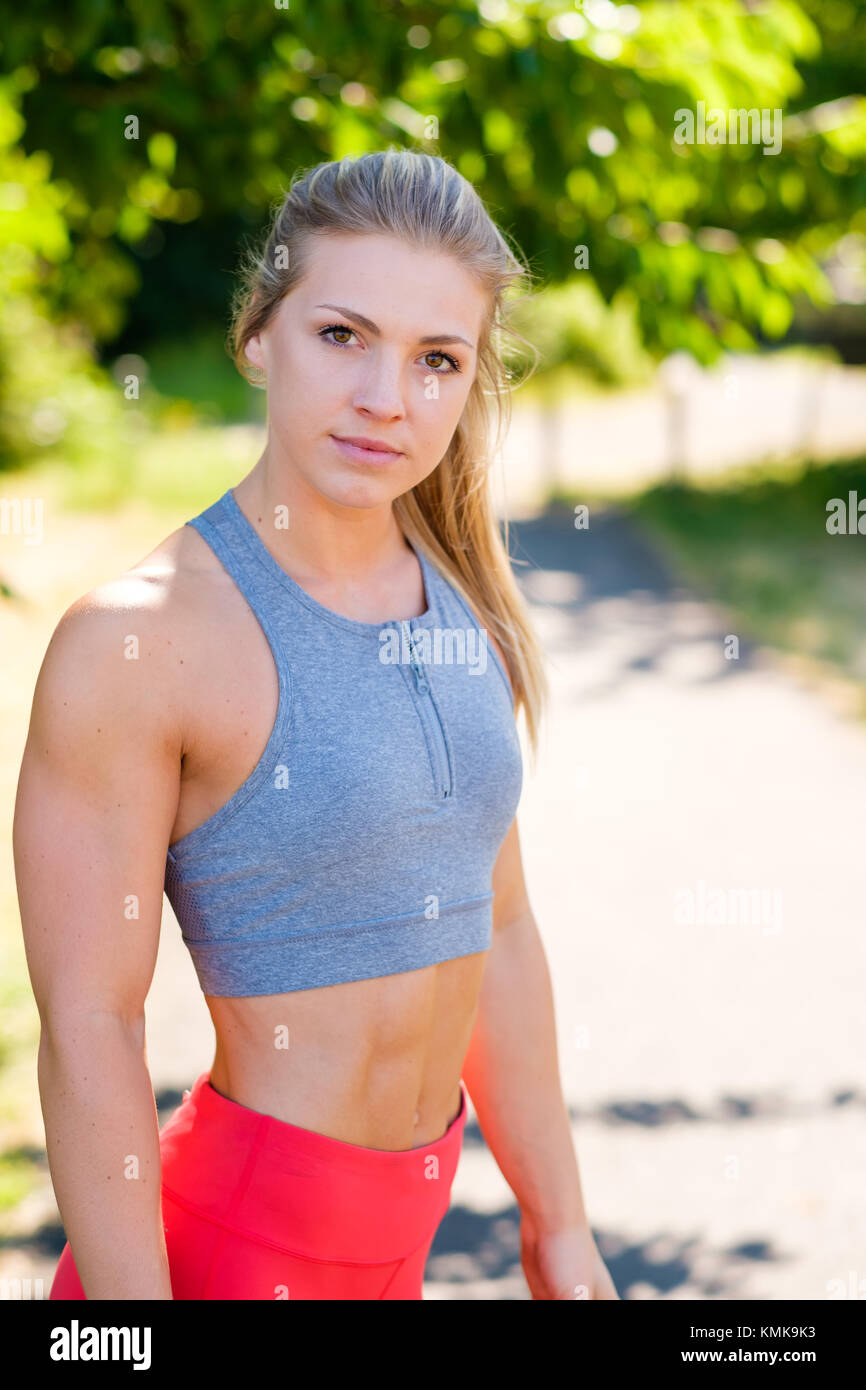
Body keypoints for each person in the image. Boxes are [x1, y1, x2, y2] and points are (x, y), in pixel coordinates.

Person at [13, 149, 618, 1301]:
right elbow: (92, 1024)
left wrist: (560, 1222)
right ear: (258, 334)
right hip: (224, 1257)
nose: (387, 397)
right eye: (342, 335)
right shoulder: (139, 640)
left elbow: (499, 928)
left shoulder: (464, 608)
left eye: (435, 359)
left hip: (398, 1252)